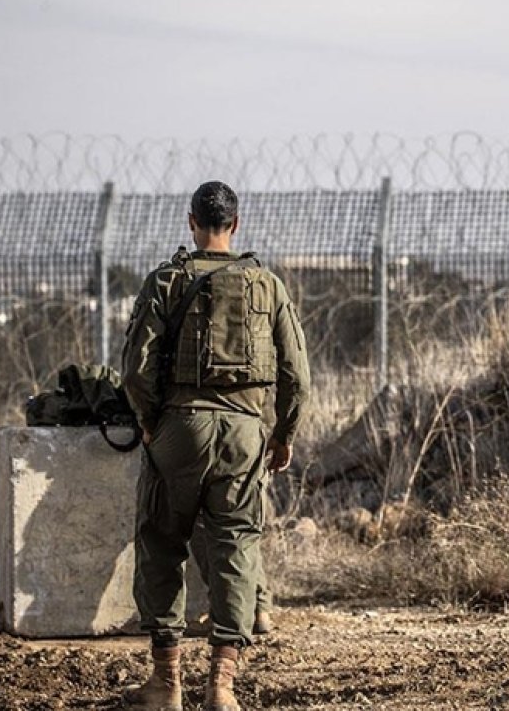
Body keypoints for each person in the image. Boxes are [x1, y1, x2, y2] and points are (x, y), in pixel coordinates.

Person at [120, 180, 310, 711]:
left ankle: (166, 683)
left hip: (180, 429)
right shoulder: (267, 285)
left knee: (162, 544)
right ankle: (222, 685)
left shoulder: (166, 281)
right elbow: (297, 376)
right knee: (236, 547)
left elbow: (135, 370)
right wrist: (283, 435)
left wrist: (151, 423)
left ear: (191, 223)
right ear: (236, 223)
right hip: (245, 432)